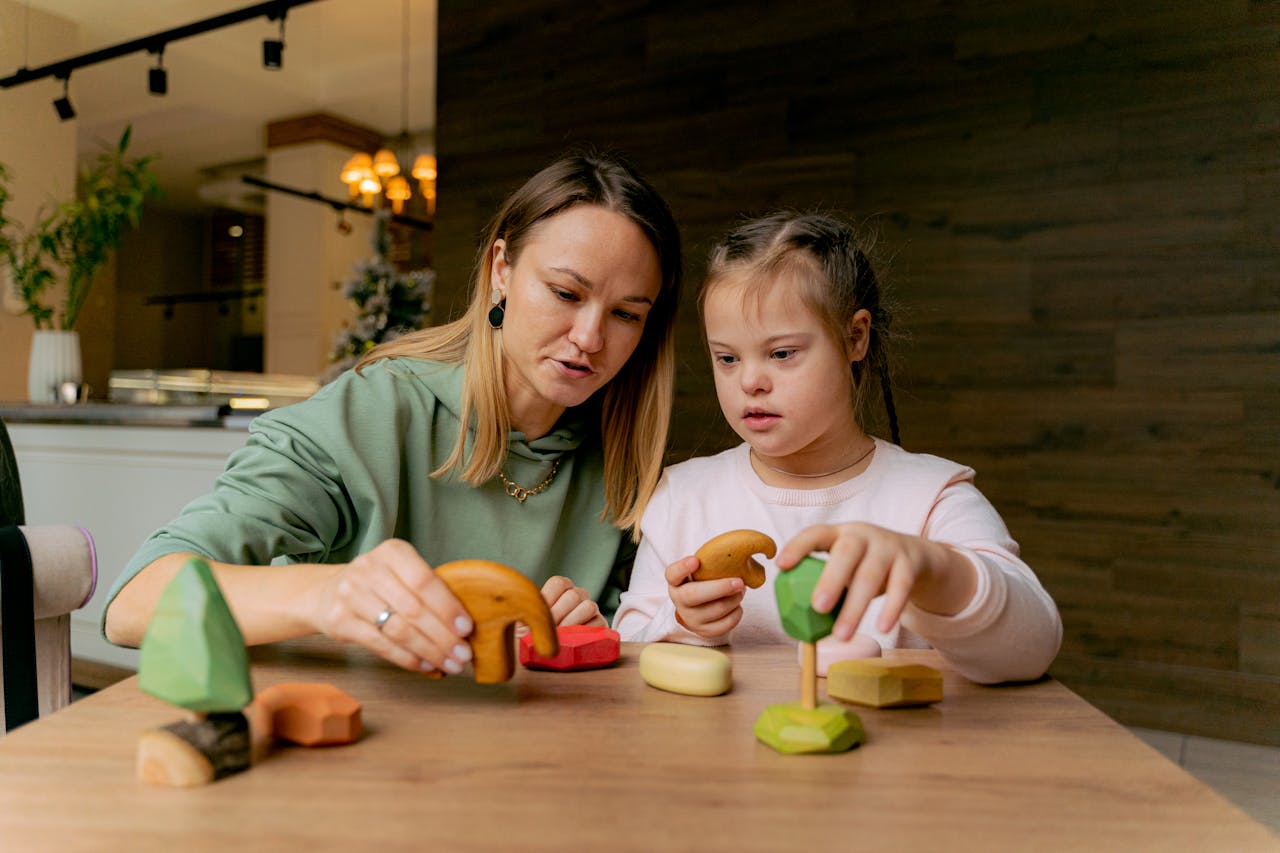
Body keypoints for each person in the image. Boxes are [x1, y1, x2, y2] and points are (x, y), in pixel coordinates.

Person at [104, 152, 682, 677]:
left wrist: (581, 632)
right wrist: (330, 594)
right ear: (500, 269)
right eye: (565, 293)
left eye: (626, 315)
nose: (589, 337)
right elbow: (135, 603)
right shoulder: (369, 414)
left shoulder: (625, 462)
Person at [612, 212, 1061, 684]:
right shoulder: (682, 497)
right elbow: (628, 652)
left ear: (855, 337)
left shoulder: (932, 498)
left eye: (782, 353)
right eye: (727, 358)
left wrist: (935, 570)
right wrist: (682, 624)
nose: (750, 381)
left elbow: (1032, 651)